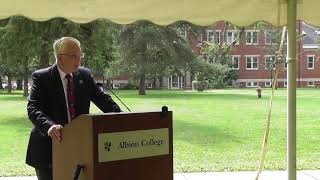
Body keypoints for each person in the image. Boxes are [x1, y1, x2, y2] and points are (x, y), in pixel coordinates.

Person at [26, 37, 122, 180]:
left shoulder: (85, 75)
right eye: (73, 56)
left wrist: (121, 117)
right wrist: (49, 126)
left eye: (80, 55)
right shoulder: (42, 77)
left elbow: (103, 100)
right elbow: (33, 108)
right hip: (48, 149)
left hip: (79, 147)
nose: (79, 60)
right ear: (60, 58)